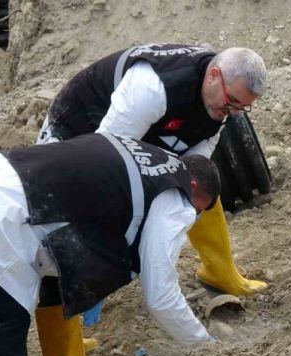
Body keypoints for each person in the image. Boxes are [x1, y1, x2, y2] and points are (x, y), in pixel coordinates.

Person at [0, 133, 220, 356]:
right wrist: (206, 346)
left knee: (55, 290)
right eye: (198, 209)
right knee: (4, 346)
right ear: (192, 185)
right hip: (2, 221)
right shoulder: (175, 197)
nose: (193, 217)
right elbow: (161, 296)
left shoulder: (153, 157)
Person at [37, 43, 269, 303]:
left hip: (145, 128)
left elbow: (195, 166)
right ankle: (67, 337)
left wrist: (182, 190)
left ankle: (220, 272)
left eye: (242, 108)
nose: (234, 112)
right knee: (64, 228)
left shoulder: (220, 100)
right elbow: (104, 161)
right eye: (233, 102)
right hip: (77, 129)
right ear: (214, 75)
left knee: (198, 185)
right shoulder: (152, 88)